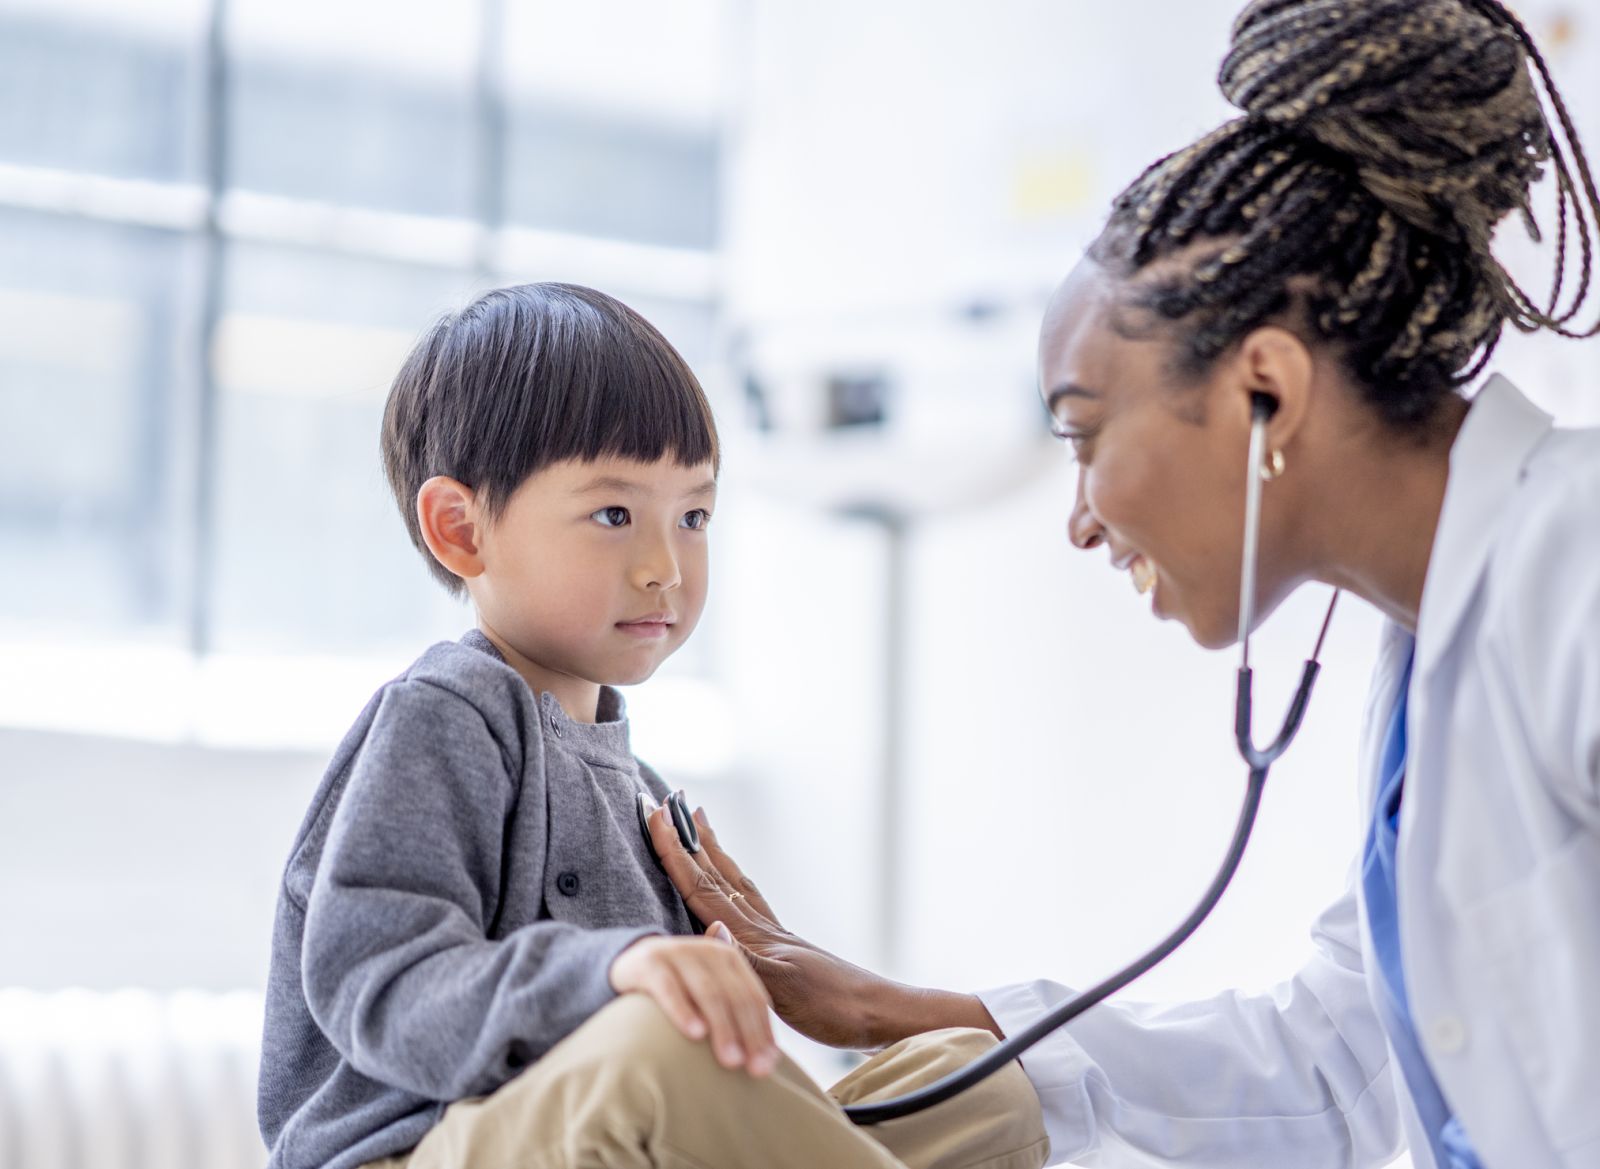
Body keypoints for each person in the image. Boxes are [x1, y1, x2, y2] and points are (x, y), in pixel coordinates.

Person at [647, 2, 1600, 1167]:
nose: (1079, 518)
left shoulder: (1576, 562)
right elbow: (1342, 1062)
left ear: (1265, 390)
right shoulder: (1431, 648)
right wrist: (890, 1009)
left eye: (1084, 432)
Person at [257, 282, 1050, 1169]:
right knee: (657, 1048)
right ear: (460, 528)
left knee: (982, 1079)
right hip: (421, 1153)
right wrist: (613, 972)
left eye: (694, 516)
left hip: (606, 1137)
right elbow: (384, 984)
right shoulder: (445, 717)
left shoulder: (647, 794)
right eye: (613, 514)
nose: (664, 566)